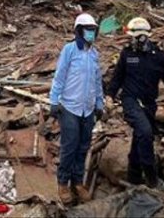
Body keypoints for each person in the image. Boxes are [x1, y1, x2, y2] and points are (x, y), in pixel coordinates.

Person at [107, 17, 164, 186]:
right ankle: (152, 178)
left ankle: (133, 176)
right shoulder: (127, 54)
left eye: (133, 37)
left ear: (142, 37)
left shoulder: (160, 57)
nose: (131, 41)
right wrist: (110, 95)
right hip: (130, 100)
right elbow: (118, 77)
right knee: (146, 132)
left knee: (140, 137)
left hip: (149, 104)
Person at [49, 13, 104, 205]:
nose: (91, 33)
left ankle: (78, 182)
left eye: (93, 30)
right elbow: (60, 76)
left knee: (83, 147)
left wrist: (99, 103)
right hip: (70, 107)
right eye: (87, 30)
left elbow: (97, 81)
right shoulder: (69, 50)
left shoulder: (94, 54)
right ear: (79, 31)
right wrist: (54, 100)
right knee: (69, 146)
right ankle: (63, 182)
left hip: (87, 109)